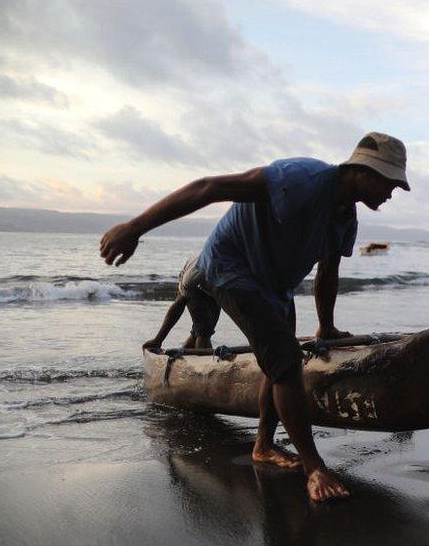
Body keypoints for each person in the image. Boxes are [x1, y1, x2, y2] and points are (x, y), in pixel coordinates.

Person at [101, 132, 410, 502]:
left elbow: (327, 273)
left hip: (275, 285)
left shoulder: (344, 219)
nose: (391, 193)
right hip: (232, 268)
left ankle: (263, 446)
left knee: (278, 364)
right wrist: (134, 228)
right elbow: (209, 187)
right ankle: (315, 468)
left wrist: (325, 325)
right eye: (390, 183)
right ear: (364, 171)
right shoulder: (300, 179)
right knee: (285, 361)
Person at [142, 253, 221, 351]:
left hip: (206, 271)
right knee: (204, 331)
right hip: (194, 279)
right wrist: (158, 340)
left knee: (202, 328)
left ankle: (186, 354)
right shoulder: (194, 279)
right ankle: (203, 364)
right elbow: (179, 305)